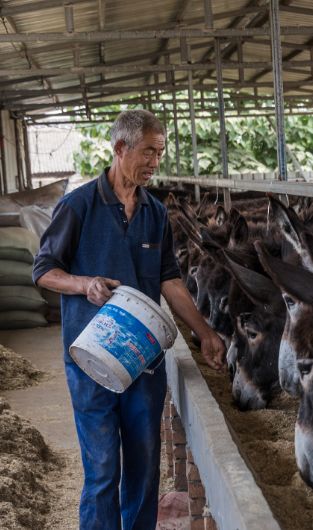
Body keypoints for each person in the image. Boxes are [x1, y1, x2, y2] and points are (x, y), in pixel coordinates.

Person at [32, 109, 225, 530]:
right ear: (120, 148)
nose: (156, 162)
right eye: (149, 152)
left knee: (144, 465)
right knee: (102, 468)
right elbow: (43, 270)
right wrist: (85, 285)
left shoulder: (155, 213)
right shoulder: (77, 206)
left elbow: (170, 279)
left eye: (161, 153)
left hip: (144, 360)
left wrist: (205, 332)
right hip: (91, 360)